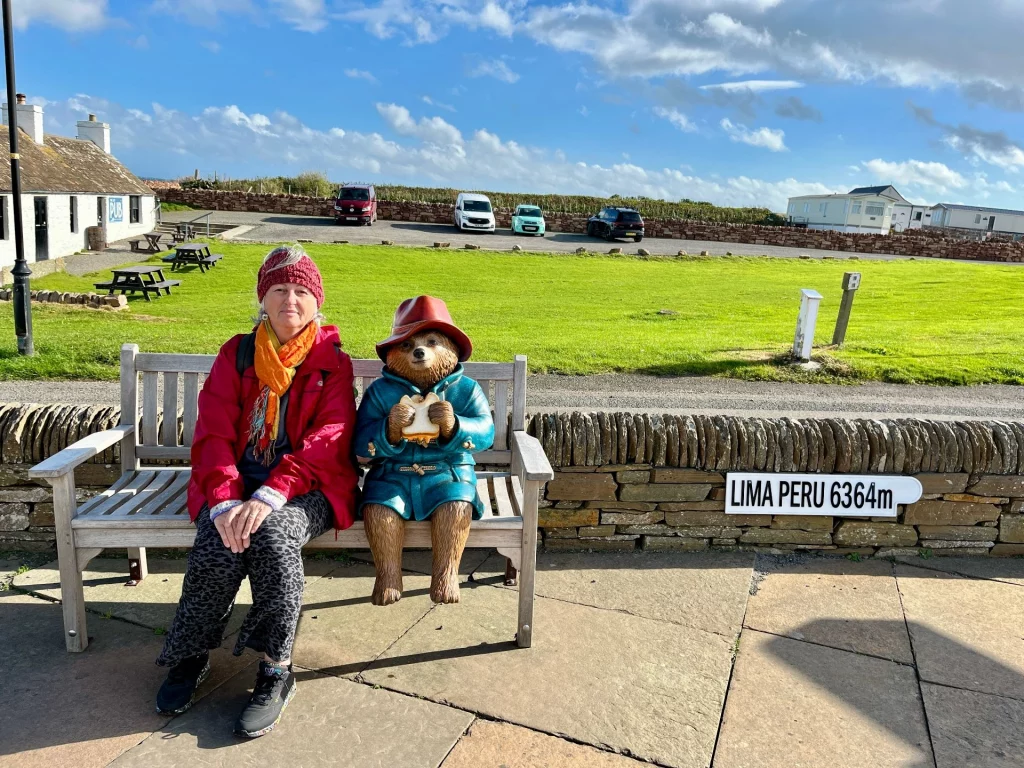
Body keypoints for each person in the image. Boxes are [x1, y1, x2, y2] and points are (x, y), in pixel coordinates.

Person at [154, 245, 359, 738]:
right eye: (279, 289)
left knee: (271, 536)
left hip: (308, 486)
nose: (291, 299)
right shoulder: (236, 353)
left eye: (301, 291)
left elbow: (330, 439)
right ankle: (191, 655)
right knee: (219, 536)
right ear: (262, 298)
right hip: (233, 482)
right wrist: (225, 498)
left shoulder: (333, 362)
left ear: (317, 302)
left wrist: (271, 494)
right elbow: (213, 431)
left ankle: (275, 669)